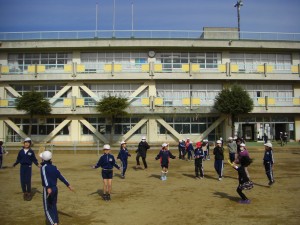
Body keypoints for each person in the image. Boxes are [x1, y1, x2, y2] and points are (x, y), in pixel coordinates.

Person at [40, 150, 74, 225]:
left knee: (47, 208)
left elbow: (44, 177)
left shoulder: (43, 167)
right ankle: (55, 222)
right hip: (55, 188)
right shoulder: (54, 167)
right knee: (53, 205)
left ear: (43, 159)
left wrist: (48, 187)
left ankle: (52, 223)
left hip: (48, 188)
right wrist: (68, 185)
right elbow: (60, 176)